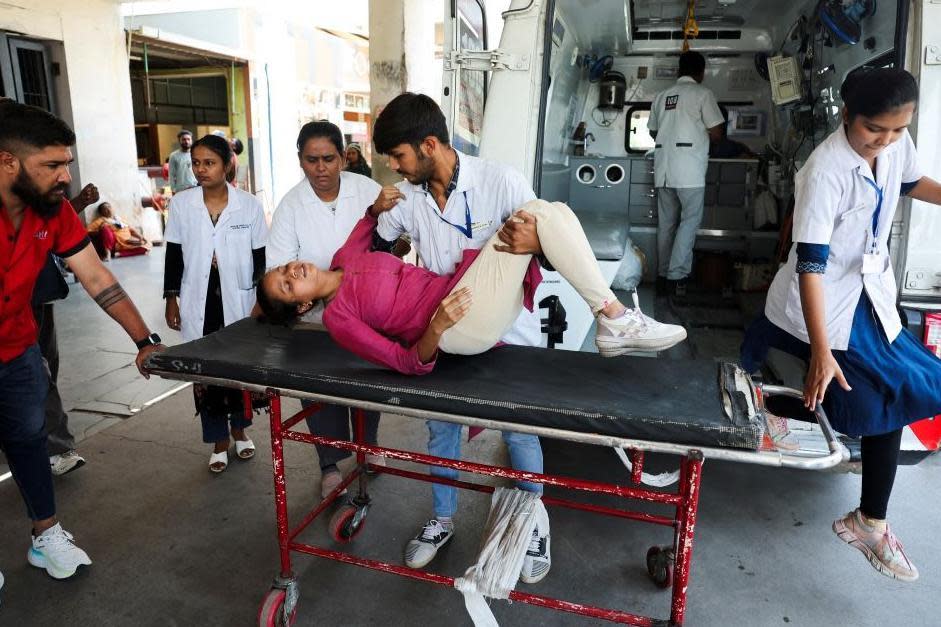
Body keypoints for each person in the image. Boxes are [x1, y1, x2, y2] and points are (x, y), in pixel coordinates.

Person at [741, 68, 941, 583]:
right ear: (847, 115)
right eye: (876, 129)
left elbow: (910, 181)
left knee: (904, 388)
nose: (887, 140)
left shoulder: (895, 142)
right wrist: (823, 350)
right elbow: (811, 268)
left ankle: (868, 518)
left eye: (898, 129)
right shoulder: (824, 169)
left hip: (869, 294)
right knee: (872, 393)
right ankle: (870, 519)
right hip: (822, 301)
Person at [0, 101, 164, 583]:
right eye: (51, 166)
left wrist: (144, 339)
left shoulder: (52, 212)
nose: (65, 177)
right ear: (7, 161)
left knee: (31, 441)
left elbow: (95, 277)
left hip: (17, 352)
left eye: (66, 164)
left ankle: (45, 536)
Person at [267, 121, 384, 499]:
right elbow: (279, 268)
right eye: (311, 160)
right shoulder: (291, 206)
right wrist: (320, 290)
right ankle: (329, 465)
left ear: (343, 157)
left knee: (367, 382)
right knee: (320, 390)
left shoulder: (368, 191)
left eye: (329, 159)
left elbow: (396, 238)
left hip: (367, 309)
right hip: (314, 321)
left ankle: (368, 448)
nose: (320, 168)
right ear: (300, 160)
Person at [163, 134, 268, 473]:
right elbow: (174, 254)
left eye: (209, 163)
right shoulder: (181, 204)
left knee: (237, 367)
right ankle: (218, 441)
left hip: (239, 299)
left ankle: (240, 432)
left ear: (226, 165)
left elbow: (261, 259)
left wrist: (262, 302)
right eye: (196, 163)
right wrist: (171, 299)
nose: (200, 169)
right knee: (205, 370)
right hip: (199, 298)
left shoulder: (248, 205)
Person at [34, 182, 100, 477]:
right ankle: (56, 448)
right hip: (16, 301)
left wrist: (78, 203)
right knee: (37, 371)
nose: (63, 173)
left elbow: (47, 223)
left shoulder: (37, 193)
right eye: (54, 163)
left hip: (40, 294)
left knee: (47, 365)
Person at [647, 50, 725, 297]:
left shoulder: (661, 96)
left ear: (679, 71)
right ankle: (676, 277)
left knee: (666, 224)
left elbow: (653, 131)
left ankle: (661, 276)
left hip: (663, 171)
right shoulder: (703, 94)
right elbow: (716, 132)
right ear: (700, 73)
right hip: (689, 172)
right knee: (689, 223)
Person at [86, 201, 151, 260]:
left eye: (109, 207)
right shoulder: (101, 220)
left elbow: (131, 230)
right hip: (115, 244)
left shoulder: (120, 219)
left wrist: (141, 238)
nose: (107, 209)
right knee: (105, 227)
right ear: (101, 212)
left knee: (146, 246)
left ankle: (119, 254)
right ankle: (107, 253)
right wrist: (100, 229)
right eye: (104, 209)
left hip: (127, 242)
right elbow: (87, 231)